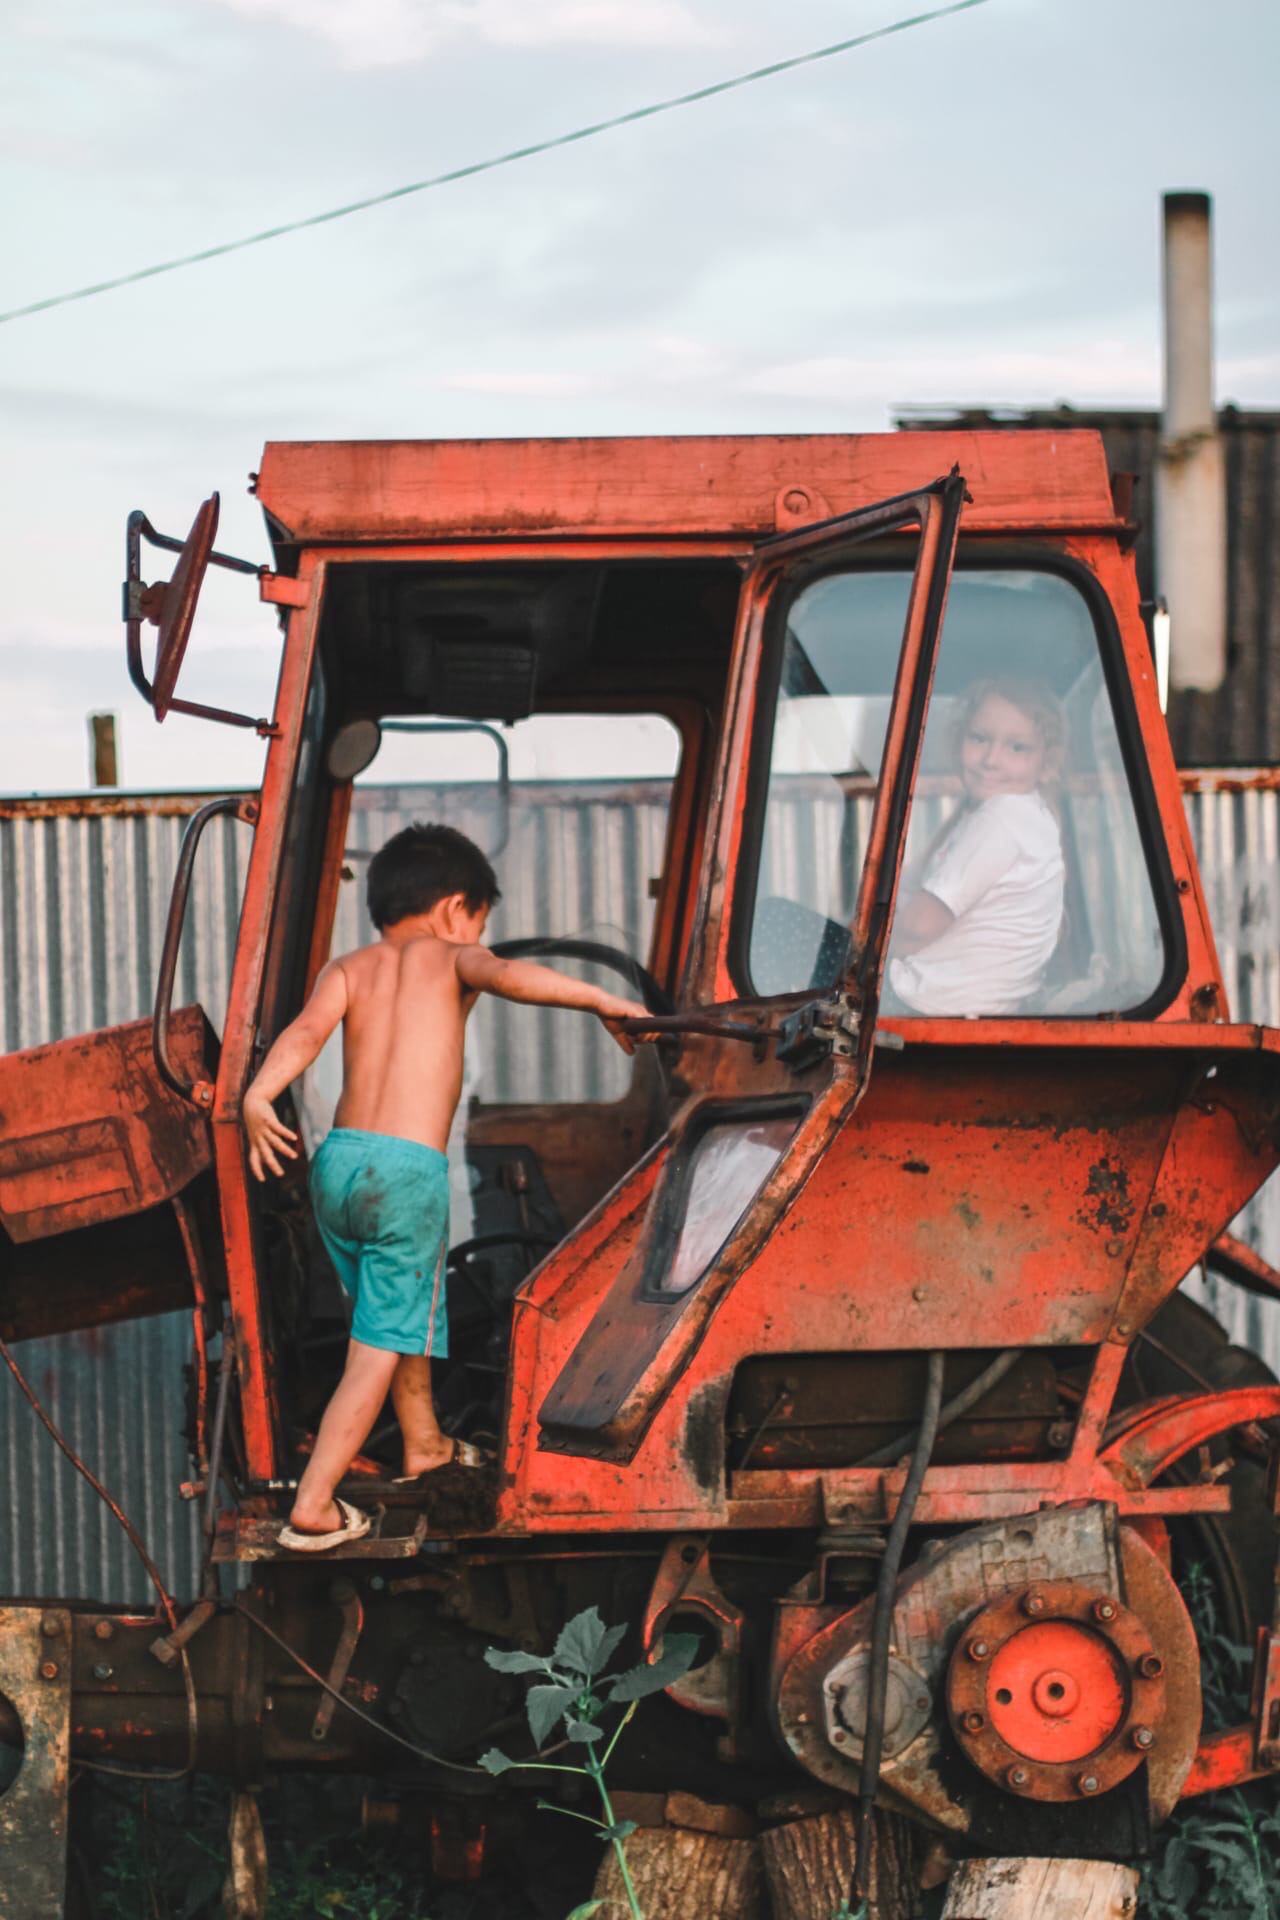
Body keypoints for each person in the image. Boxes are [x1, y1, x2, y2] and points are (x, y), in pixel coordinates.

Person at [241, 822, 651, 1551]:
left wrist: (257, 1099)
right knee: (377, 1344)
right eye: (482, 921)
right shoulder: (458, 957)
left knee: (392, 1316)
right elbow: (513, 979)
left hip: (338, 1166)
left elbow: (304, 1036)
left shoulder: (349, 967)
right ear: (458, 907)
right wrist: (599, 1000)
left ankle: (424, 1443)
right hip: (407, 1173)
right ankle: (314, 1503)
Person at [885, 678, 1066, 1016]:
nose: (991, 759)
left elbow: (919, 925)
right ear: (960, 741)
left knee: (776, 923)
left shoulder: (1004, 817)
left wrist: (866, 948)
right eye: (980, 739)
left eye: (1017, 748)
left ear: (1047, 762)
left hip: (926, 1001)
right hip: (964, 1002)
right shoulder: (1027, 815)